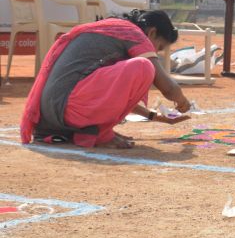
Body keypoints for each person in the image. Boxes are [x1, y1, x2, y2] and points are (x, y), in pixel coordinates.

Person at [20, 11, 192, 149]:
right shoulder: (134, 34)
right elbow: (168, 88)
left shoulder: (115, 30)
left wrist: (154, 116)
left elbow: (111, 93)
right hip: (69, 108)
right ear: (152, 32)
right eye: (159, 47)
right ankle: (100, 134)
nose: (156, 52)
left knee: (141, 66)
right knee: (144, 66)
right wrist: (183, 102)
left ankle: (96, 130)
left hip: (55, 113)